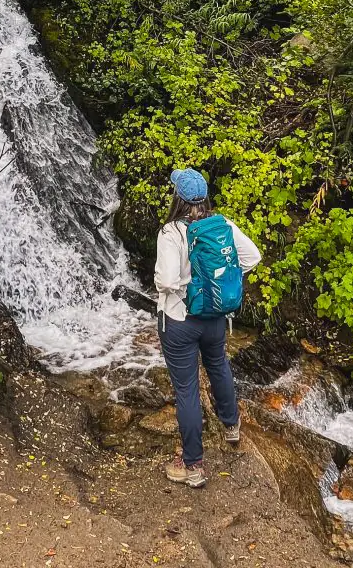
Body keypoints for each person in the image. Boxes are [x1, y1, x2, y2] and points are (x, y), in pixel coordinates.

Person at [155, 167, 261, 488]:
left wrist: (181, 287)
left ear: (178, 198)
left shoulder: (171, 233)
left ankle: (193, 466)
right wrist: (220, 280)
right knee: (219, 366)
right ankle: (231, 427)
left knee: (186, 390)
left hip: (180, 321)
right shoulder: (221, 225)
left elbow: (167, 280)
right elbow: (252, 257)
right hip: (215, 317)